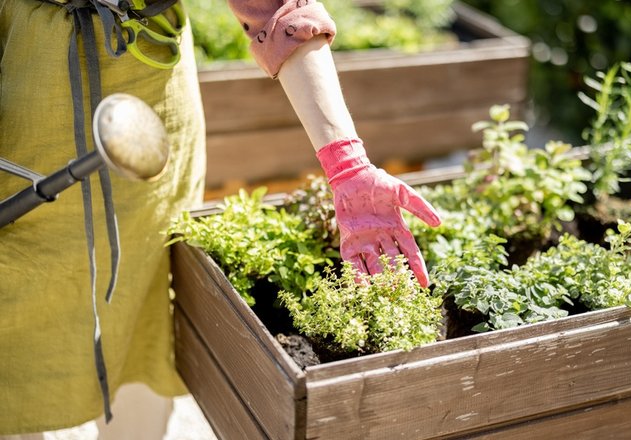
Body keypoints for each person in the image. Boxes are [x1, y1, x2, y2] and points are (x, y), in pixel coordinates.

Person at [0, 0, 440, 438]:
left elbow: (280, 9)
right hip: (20, 75)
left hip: (146, 90)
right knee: (15, 299)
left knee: (145, 300)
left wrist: (348, 166)